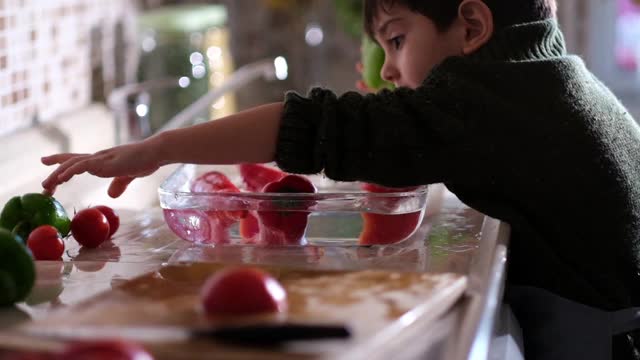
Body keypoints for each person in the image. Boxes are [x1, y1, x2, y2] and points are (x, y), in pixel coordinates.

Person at [41, 0, 640, 358]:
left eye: (398, 40)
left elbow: (318, 125)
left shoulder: (480, 101)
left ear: (473, 26)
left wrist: (157, 148)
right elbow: (405, 129)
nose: (391, 68)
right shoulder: (549, 76)